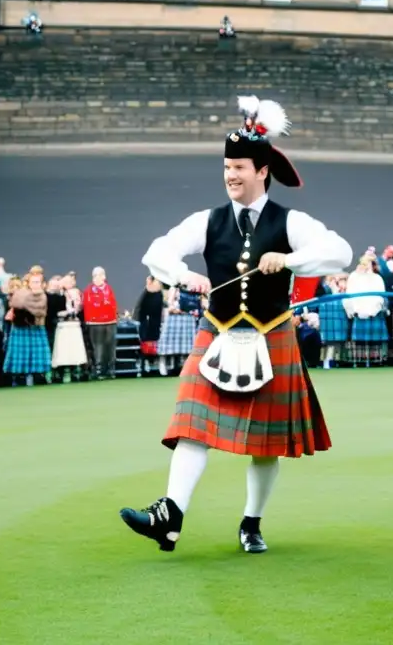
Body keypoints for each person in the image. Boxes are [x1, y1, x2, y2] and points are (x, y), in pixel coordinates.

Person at [119, 95, 352, 555]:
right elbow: (157, 251)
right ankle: (170, 517)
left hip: (272, 337)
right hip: (217, 334)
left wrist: (290, 259)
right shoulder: (207, 221)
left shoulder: (293, 222)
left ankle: (252, 522)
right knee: (190, 425)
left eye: (240, 167)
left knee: (264, 445)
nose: (230, 175)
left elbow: (339, 251)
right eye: (227, 167)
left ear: (262, 171)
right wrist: (183, 274)